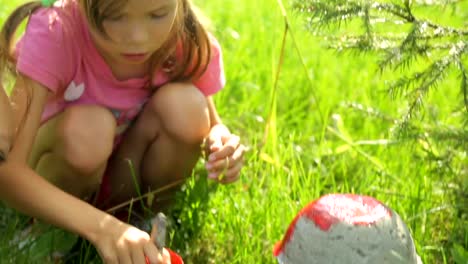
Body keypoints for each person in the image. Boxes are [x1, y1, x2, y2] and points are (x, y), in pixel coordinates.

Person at [0, 0, 245, 263]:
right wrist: (103, 228)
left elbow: (212, 121)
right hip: (59, 182)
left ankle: (143, 225)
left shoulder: (179, 32)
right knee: (90, 129)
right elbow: (7, 170)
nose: (138, 38)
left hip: (124, 181)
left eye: (157, 14)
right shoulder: (57, 31)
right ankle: (49, 235)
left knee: (187, 107)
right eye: (114, 17)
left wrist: (220, 140)